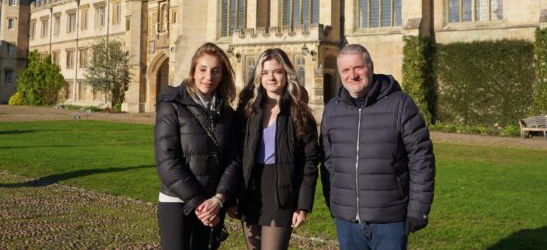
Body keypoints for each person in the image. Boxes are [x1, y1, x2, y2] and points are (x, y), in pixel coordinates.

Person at [320, 44, 435, 250]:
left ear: (370, 67)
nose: (352, 75)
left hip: (389, 219)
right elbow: (328, 162)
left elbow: (421, 159)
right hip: (347, 221)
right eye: (345, 70)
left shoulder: (400, 104)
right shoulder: (332, 109)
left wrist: (418, 209)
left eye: (358, 68)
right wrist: (335, 203)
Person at [154, 42, 240, 250]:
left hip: (212, 204)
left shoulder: (227, 113)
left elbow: (234, 159)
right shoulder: (172, 105)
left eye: (215, 71)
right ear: (193, 71)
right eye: (203, 69)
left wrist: (219, 199)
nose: (208, 77)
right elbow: (167, 160)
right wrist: (201, 203)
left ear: (222, 75)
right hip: (177, 201)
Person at [237, 48, 319, 250]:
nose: (271, 77)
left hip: (282, 191)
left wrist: (302, 205)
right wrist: (231, 197)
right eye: (265, 73)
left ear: (287, 74)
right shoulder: (248, 110)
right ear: (259, 77)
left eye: (277, 71)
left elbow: (309, 163)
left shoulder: (299, 113)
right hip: (251, 190)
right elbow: (236, 156)